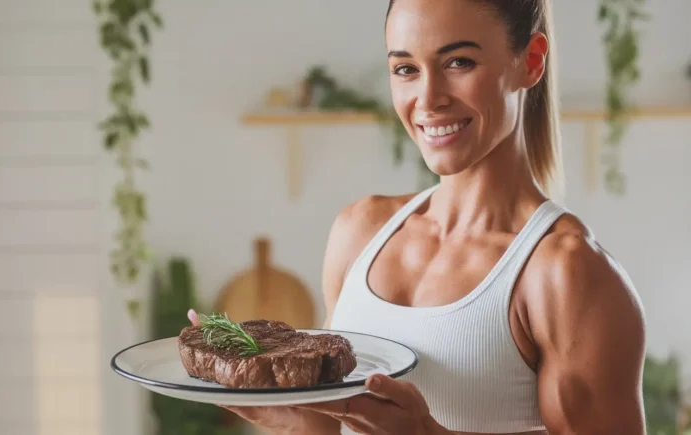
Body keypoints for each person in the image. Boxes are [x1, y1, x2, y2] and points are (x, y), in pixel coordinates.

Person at [189, 0, 647, 433]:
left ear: (529, 61)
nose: (428, 99)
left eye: (458, 63)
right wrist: (279, 414)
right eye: (406, 69)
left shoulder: (565, 273)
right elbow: (334, 425)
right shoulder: (359, 231)